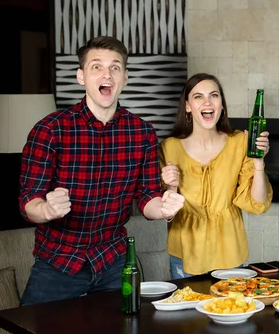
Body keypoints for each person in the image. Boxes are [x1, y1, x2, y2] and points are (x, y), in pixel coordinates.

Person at [18, 36, 185, 307]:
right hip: (59, 261)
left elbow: (147, 199)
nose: (107, 73)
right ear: (81, 76)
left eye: (115, 67)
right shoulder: (50, 130)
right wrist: (47, 210)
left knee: (127, 333)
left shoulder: (142, 132)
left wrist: (165, 209)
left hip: (113, 259)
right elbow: (28, 202)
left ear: (125, 78)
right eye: (96, 66)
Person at [159, 73, 273, 278]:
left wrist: (258, 161)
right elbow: (166, 212)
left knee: (232, 308)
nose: (207, 102)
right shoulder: (169, 148)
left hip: (230, 251)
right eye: (198, 97)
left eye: (214, 95)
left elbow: (257, 204)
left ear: (222, 105)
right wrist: (172, 188)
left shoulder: (239, 142)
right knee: (187, 309)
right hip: (186, 251)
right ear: (187, 106)